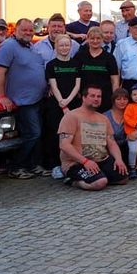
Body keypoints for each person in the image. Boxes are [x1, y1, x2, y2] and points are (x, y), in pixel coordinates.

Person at [0, 18, 48, 179]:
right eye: (24, 30)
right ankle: (16, 166)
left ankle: (32, 165)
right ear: (15, 30)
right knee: (33, 133)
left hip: (37, 99)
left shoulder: (31, 46)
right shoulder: (8, 46)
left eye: (30, 30)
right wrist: (2, 96)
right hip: (23, 101)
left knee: (38, 134)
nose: (28, 33)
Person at [57, 85, 128, 190]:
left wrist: (118, 159)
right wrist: (85, 161)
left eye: (99, 96)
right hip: (77, 162)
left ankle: (100, 174)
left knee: (123, 179)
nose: (96, 99)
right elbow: (64, 145)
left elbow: (111, 143)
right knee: (100, 183)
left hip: (101, 159)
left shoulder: (103, 118)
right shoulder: (71, 116)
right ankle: (73, 181)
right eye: (92, 96)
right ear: (84, 98)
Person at [44, 34, 80, 177]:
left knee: (74, 134)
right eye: (61, 45)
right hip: (57, 105)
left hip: (74, 104)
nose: (64, 48)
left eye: (67, 45)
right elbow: (54, 86)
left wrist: (69, 101)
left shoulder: (76, 64)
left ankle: (73, 163)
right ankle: (56, 165)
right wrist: (63, 104)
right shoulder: (51, 65)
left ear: (70, 47)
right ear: (56, 47)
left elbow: (77, 84)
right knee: (56, 135)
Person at [76, 26, 120, 111]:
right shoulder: (80, 56)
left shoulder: (109, 58)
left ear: (102, 39)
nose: (95, 41)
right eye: (92, 38)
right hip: (84, 99)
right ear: (87, 39)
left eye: (98, 38)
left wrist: (115, 98)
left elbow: (115, 81)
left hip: (104, 99)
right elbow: (74, 77)